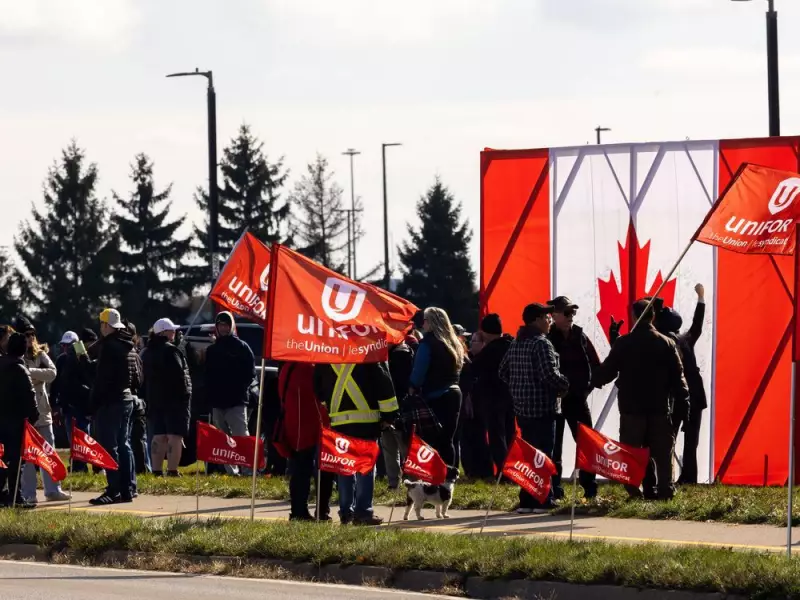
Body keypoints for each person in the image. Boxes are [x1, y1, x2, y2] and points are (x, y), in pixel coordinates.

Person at [593, 299, 689, 501]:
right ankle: (665, 492)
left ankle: (638, 493)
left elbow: (607, 373)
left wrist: (590, 377)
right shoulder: (667, 343)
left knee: (634, 454)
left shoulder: (624, 343)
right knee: (662, 454)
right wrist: (683, 407)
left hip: (631, 410)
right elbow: (679, 379)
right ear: (653, 316)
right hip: (659, 408)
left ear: (634, 317)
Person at [499, 303, 568, 513]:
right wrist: (566, 383)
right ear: (537, 319)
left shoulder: (517, 342)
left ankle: (527, 499)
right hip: (543, 409)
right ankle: (543, 499)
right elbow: (549, 375)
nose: (549, 321)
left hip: (522, 409)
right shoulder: (541, 344)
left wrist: (518, 388)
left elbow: (503, 371)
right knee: (543, 456)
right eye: (547, 318)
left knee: (528, 456)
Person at [314, 361, 399, 525]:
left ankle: (346, 512)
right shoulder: (368, 352)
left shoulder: (328, 353)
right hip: (367, 421)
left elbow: (318, 386)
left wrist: (331, 406)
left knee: (344, 466)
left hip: (339, 421)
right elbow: (384, 384)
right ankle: (363, 512)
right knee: (365, 468)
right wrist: (389, 416)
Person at [85, 308, 141, 505]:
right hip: (126, 398)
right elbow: (136, 377)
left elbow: (102, 378)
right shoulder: (128, 344)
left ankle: (114, 490)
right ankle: (129, 488)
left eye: (102, 324)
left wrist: (93, 404)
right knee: (124, 444)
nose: (100, 328)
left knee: (110, 447)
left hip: (110, 401)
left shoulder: (108, 346)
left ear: (107, 326)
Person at [547, 297, 600, 500]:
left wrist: (587, 389)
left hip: (578, 399)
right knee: (555, 447)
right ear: (554, 315)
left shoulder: (580, 336)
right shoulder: (548, 339)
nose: (571, 317)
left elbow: (595, 363)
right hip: (556, 401)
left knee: (587, 444)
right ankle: (555, 490)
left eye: (572, 313)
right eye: (567, 313)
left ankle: (590, 489)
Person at [655, 284, 706, 485]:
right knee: (691, 441)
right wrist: (701, 298)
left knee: (669, 438)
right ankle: (689, 478)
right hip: (695, 396)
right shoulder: (686, 339)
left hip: (676, 398)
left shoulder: (663, 342)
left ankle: (666, 479)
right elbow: (697, 325)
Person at [17, 318, 69, 504]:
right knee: (29, 456)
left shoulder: (40, 354)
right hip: (26, 412)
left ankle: (53, 490)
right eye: (26, 335)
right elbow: (19, 380)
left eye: (32, 334)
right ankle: (29, 494)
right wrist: (37, 375)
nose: (30, 338)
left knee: (49, 450)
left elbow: (52, 373)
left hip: (43, 411)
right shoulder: (15, 355)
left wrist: (30, 372)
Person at [408, 307, 464, 480]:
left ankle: (433, 479)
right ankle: (448, 480)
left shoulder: (427, 344)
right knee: (448, 440)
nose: (422, 324)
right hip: (455, 393)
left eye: (424, 320)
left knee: (431, 441)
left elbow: (419, 372)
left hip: (435, 396)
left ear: (431, 322)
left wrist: (412, 388)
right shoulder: (453, 343)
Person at [276, 361, 334, 521]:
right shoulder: (308, 368)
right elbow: (317, 400)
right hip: (310, 427)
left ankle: (299, 510)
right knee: (321, 470)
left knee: (299, 471)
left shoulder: (288, 366)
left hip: (295, 425)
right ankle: (320, 511)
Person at [204, 311, 256, 475]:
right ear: (217, 327)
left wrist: (240, 388)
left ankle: (248, 470)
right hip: (218, 402)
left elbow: (250, 373)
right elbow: (208, 374)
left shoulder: (241, 346)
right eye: (221, 325)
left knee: (242, 436)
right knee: (222, 440)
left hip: (237, 401)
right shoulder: (212, 350)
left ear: (231, 326)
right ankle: (231, 472)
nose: (224, 328)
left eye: (227, 325)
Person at [143, 318, 192, 477]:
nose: (175, 332)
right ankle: (172, 470)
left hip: (155, 400)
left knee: (158, 435)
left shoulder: (147, 352)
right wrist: (185, 396)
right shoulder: (172, 351)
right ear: (164, 332)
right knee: (174, 436)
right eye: (172, 330)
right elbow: (180, 376)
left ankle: (156, 470)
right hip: (174, 401)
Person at [469, 314, 515, 477]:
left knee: (497, 438)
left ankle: (504, 474)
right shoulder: (512, 344)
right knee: (510, 436)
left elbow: (473, 369)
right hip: (512, 397)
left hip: (492, 399)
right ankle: (514, 472)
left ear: (485, 332)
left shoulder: (489, 351)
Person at [0, 332, 39, 508]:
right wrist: (33, 417)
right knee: (17, 461)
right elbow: (30, 397)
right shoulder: (20, 369)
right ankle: (15, 497)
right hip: (16, 422)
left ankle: (2, 494)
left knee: (2, 459)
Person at [52, 330, 95, 473]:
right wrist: (55, 405)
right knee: (73, 438)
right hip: (68, 406)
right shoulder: (61, 360)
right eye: (64, 345)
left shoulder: (84, 359)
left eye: (69, 345)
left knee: (84, 437)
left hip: (83, 406)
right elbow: (56, 384)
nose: (66, 348)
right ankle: (78, 466)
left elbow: (89, 380)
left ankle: (83, 465)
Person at [382, 340, 414, 489]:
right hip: (390, 406)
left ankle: (408, 480)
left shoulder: (401, 355)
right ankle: (395, 481)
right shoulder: (397, 353)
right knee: (390, 446)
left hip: (398, 406)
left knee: (401, 445)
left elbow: (397, 384)